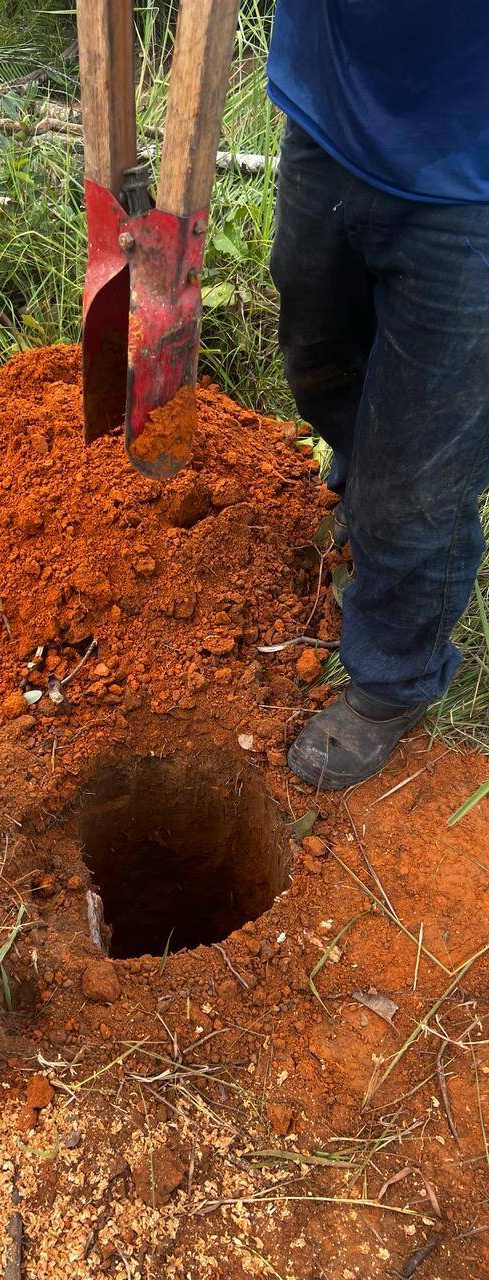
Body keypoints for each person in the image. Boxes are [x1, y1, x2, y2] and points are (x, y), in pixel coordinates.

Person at [266, 3, 489, 790]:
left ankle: (394, 678)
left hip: (473, 181)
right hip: (329, 120)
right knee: (318, 360)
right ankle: (365, 486)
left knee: (422, 478)